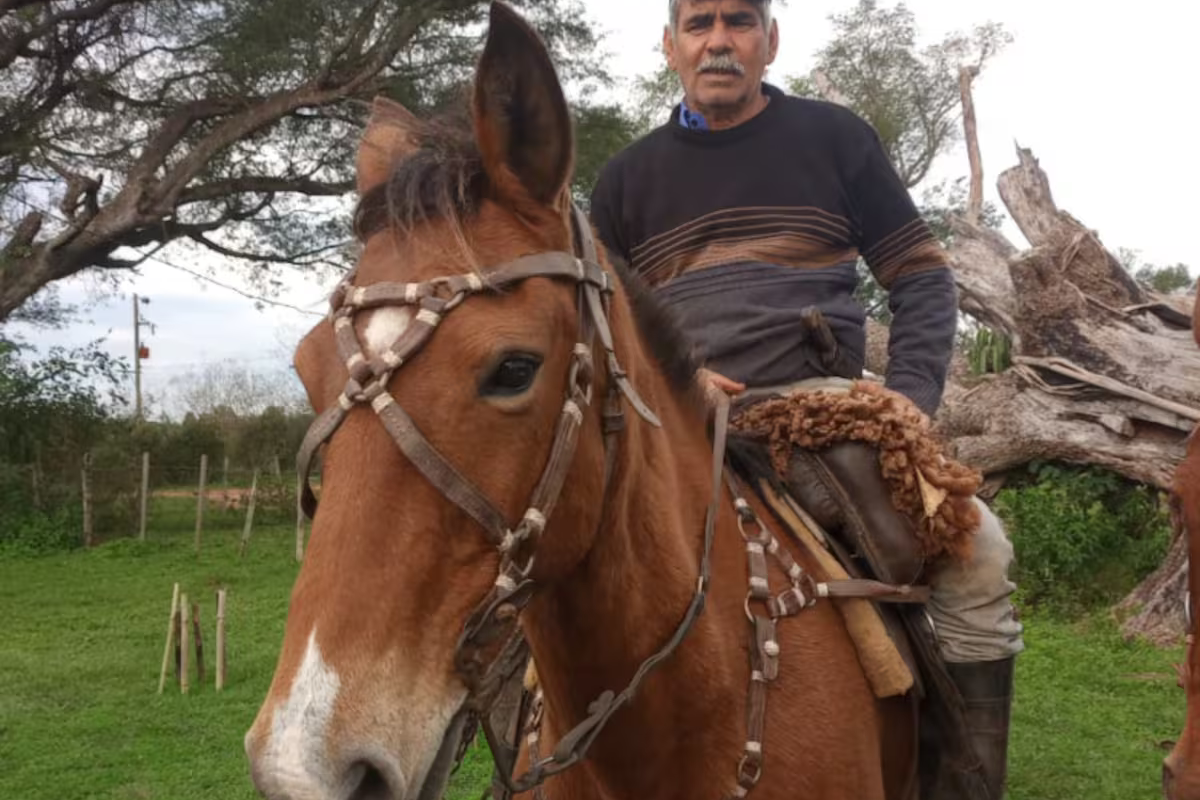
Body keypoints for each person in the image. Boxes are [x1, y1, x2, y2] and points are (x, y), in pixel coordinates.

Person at [587, 1, 1025, 797]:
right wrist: (673, 381)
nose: (719, 41)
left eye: (738, 21)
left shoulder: (835, 138)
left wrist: (909, 403)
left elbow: (922, 276)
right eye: (698, 24)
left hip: (816, 406)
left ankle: (957, 784)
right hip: (674, 419)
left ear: (769, 41)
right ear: (669, 46)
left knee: (977, 554)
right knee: (539, 568)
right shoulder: (623, 179)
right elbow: (596, 322)